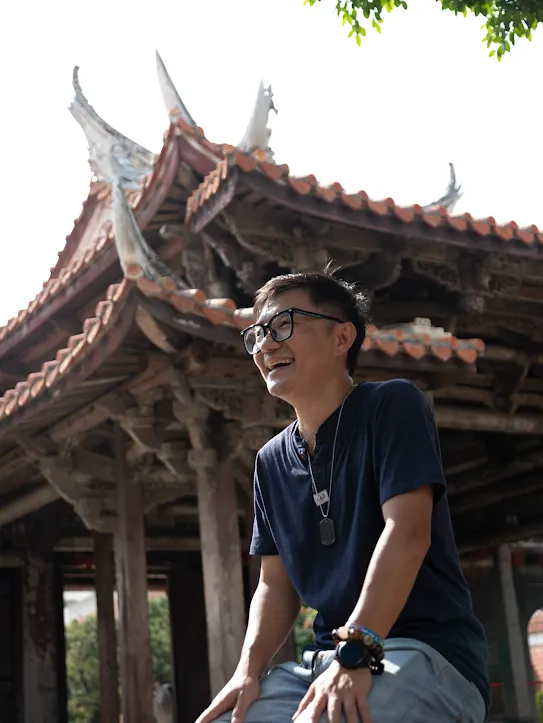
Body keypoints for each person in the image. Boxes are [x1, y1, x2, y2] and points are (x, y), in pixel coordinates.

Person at [196, 270, 490, 723]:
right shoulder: (269, 461)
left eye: (282, 325)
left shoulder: (392, 405)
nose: (266, 345)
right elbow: (275, 585)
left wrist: (358, 648)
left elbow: (408, 532)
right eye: (256, 335)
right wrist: (248, 671)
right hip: (326, 659)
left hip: (425, 651)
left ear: (341, 338)